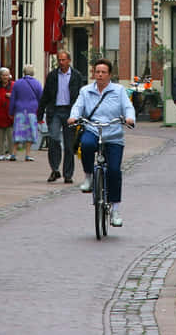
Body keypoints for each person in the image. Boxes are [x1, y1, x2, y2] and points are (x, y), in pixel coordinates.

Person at [68, 58, 135, 228]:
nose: (100, 75)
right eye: (97, 72)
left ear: (109, 75)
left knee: (114, 171)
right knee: (88, 145)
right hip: (92, 129)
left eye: (103, 72)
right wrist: (73, 116)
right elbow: (78, 106)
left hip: (113, 134)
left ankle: (115, 210)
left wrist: (130, 118)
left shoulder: (119, 91)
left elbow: (128, 107)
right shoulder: (86, 91)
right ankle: (89, 177)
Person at [37, 50, 84, 184]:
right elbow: (45, 95)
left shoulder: (77, 76)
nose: (61, 63)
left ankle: (68, 174)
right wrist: (39, 114)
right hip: (55, 111)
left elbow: (81, 97)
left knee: (69, 145)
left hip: (70, 112)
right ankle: (55, 169)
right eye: (59, 60)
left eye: (63, 60)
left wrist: (80, 114)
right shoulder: (52, 76)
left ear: (69, 61)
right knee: (54, 138)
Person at [9, 65, 42, 162]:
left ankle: (13, 153)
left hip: (19, 110)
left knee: (18, 132)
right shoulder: (37, 84)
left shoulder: (17, 83)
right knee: (30, 133)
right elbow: (41, 98)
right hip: (32, 111)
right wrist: (40, 111)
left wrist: (11, 111)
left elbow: (13, 99)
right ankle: (27, 155)